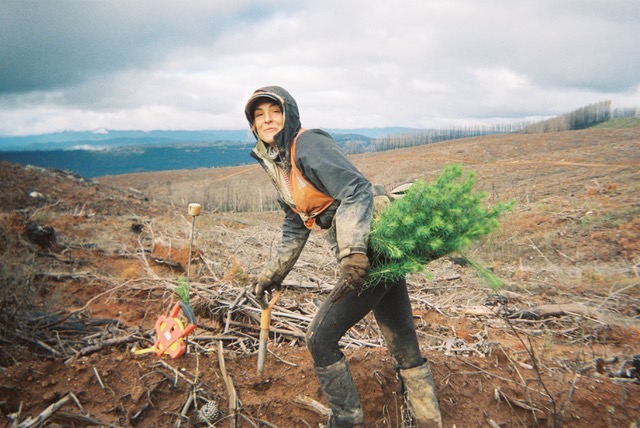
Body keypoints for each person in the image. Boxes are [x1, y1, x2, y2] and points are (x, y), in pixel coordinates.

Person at [244, 86, 442, 428]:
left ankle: (347, 421)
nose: (267, 120)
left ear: (288, 113)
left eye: (273, 111)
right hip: (372, 246)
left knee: (319, 339)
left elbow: (356, 189)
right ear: (252, 125)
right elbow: (295, 225)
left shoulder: (307, 144)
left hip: (371, 245)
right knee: (401, 337)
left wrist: (352, 251)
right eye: (259, 115)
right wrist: (270, 275)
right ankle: (429, 419)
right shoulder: (279, 164)